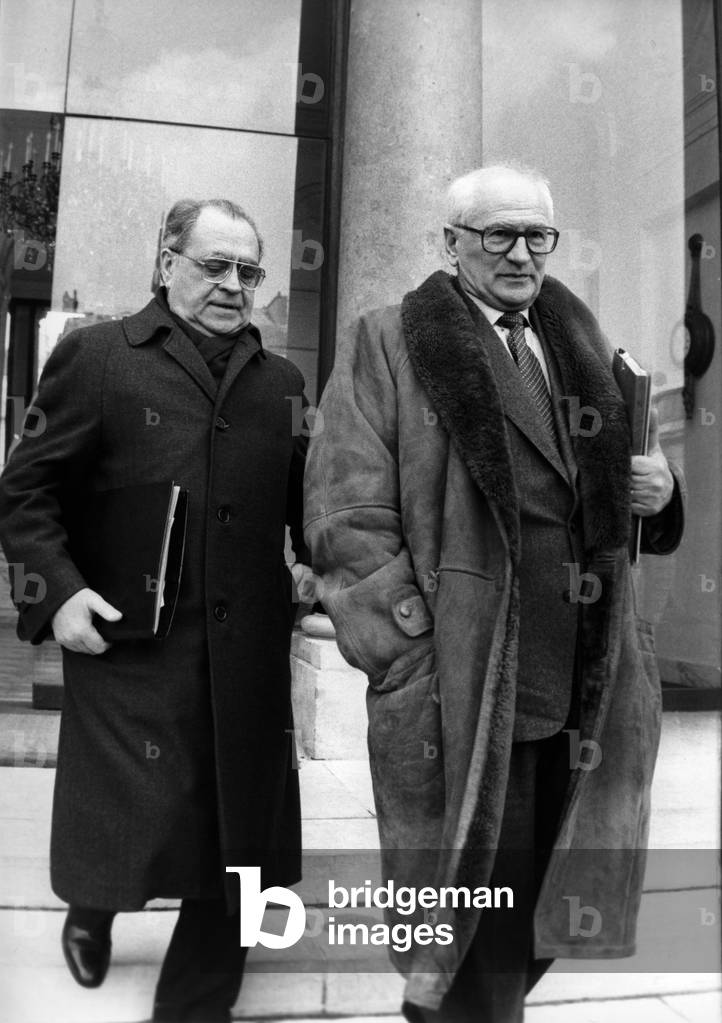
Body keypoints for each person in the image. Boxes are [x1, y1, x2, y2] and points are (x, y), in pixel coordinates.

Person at [303, 165, 685, 1022]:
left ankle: (447, 1004)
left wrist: (662, 493)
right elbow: (343, 515)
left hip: (583, 677)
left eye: (536, 235)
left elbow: (627, 502)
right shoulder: (387, 342)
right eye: (497, 235)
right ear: (451, 243)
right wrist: (410, 648)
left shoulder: (591, 349)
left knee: (552, 890)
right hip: (466, 679)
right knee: (480, 897)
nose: (520, 253)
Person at [0, 197, 313, 1023]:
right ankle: (94, 908)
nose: (233, 285)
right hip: (130, 646)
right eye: (214, 265)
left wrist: (326, 572)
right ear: (165, 261)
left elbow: (310, 509)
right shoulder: (98, 357)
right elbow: (25, 492)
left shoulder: (282, 383)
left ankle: (192, 1006)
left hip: (246, 656)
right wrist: (57, 593)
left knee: (237, 832)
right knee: (128, 820)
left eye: (248, 271)